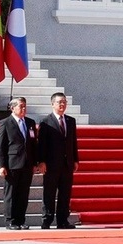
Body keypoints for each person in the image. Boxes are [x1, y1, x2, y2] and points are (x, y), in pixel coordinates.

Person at [37, 92, 79, 229]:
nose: (62, 105)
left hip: (67, 164)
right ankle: (47, 219)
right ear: (52, 104)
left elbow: (73, 142)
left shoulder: (70, 121)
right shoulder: (46, 122)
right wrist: (41, 161)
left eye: (64, 102)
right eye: (60, 102)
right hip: (51, 164)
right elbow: (41, 144)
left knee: (65, 193)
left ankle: (63, 220)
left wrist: (75, 160)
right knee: (49, 192)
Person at [0, 97, 37, 230]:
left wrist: (35, 162)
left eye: (25, 106)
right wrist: (1, 165)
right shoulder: (5, 123)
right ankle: (10, 220)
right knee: (11, 193)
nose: (24, 109)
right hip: (12, 163)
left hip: (27, 163)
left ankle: (21, 219)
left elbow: (33, 144)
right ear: (12, 108)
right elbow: (0, 146)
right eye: (21, 106)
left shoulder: (30, 123)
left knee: (23, 193)